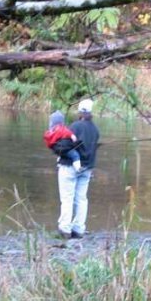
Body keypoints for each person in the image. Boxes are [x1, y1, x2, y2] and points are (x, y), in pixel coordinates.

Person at [56, 98, 100, 240]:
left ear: (80, 112)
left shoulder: (75, 126)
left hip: (69, 167)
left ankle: (65, 229)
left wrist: (56, 148)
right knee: (81, 198)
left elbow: (63, 145)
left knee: (67, 198)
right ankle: (79, 229)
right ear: (91, 113)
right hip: (87, 168)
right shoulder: (95, 130)